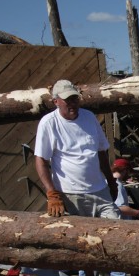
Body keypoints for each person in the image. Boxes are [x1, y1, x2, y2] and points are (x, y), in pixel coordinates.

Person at [34, 80, 122, 220]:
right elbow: (41, 160)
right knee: (79, 232)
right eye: (67, 100)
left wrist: (111, 182)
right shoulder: (49, 123)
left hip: (100, 190)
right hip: (70, 194)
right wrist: (52, 194)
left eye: (75, 98)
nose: (73, 103)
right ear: (56, 102)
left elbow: (101, 153)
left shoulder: (89, 117)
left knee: (116, 225)